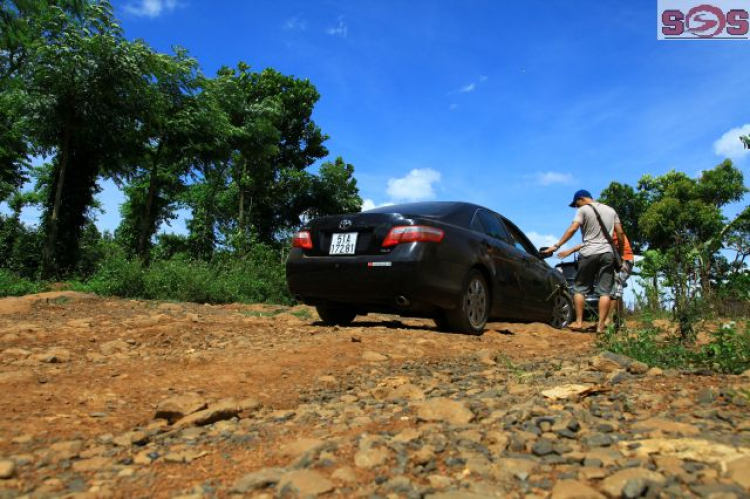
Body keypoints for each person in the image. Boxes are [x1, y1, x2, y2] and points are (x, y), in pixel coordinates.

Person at [541, 189, 625, 333]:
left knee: (580, 288)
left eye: (576, 204)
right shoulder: (611, 210)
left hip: (588, 253)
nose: (577, 207)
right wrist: (620, 253)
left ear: (581, 199)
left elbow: (573, 228)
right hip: (607, 253)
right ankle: (600, 326)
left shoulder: (584, 210)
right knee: (605, 292)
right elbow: (620, 233)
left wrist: (556, 246)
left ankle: (579, 322)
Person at [556, 230, 635, 326]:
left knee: (615, 289)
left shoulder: (608, 227)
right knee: (617, 288)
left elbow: (591, 243)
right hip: (619, 259)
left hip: (624, 260)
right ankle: (619, 321)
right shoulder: (605, 228)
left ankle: (608, 320)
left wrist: (571, 250)